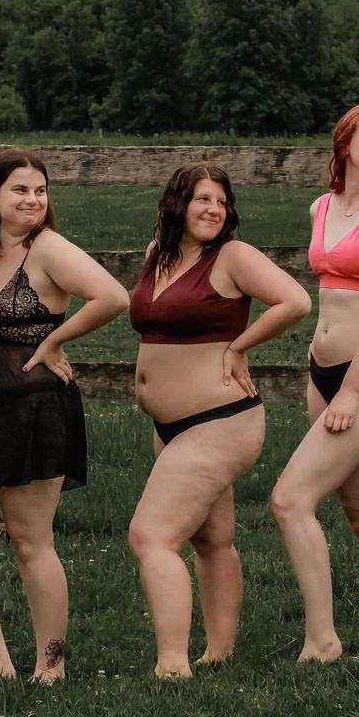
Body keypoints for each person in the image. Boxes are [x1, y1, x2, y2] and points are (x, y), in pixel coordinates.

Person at [0, 149, 128, 681]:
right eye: (20, 189)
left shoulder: (48, 248)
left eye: (40, 190)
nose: (33, 200)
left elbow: (112, 297)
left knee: (30, 540)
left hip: (32, 407)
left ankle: (50, 666)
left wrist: (54, 340)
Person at [127, 163, 311, 678]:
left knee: (151, 535)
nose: (213, 210)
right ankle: (220, 653)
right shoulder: (158, 253)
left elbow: (295, 301)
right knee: (211, 541)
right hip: (172, 426)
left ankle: (172, 667)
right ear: (177, 204)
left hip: (220, 419)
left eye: (221, 202)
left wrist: (239, 346)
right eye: (202, 199)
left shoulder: (231, 257)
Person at [269, 104, 359, 662]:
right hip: (323, 372)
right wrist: (325, 371)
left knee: (290, 499)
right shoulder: (321, 206)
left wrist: (351, 391)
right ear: (346, 143)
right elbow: (330, 290)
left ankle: (322, 640)